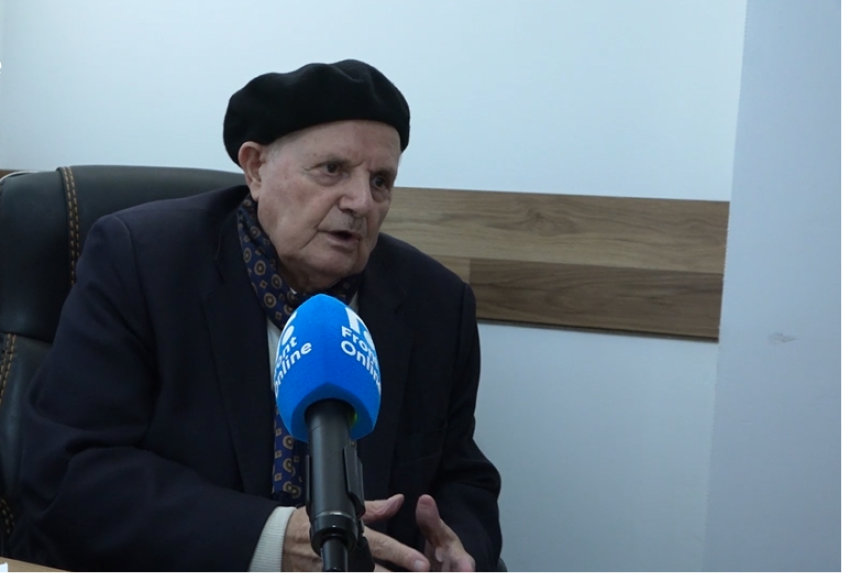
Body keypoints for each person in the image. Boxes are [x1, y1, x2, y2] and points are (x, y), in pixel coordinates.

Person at [11, 59, 501, 571]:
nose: (361, 202)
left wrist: (459, 547)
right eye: (332, 169)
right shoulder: (141, 263)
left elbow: (461, 476)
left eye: (380, 181)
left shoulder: (436, 304)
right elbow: (68, 472)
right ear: (255, 168)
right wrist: (268, 539)